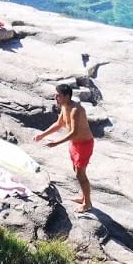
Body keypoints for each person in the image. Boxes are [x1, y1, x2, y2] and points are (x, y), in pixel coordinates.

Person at [34, 82, 93, 210]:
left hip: (84, 145)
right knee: (77, 172)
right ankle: (84, 197)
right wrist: (42, 135)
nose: (56, 98)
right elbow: (59, 123)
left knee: (80, 175)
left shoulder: (75, 110)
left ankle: (87, 203)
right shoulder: (65, 106)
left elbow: (74, 132)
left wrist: (56, 143)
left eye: (58, 95)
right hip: (74, 144)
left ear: (66, 96)